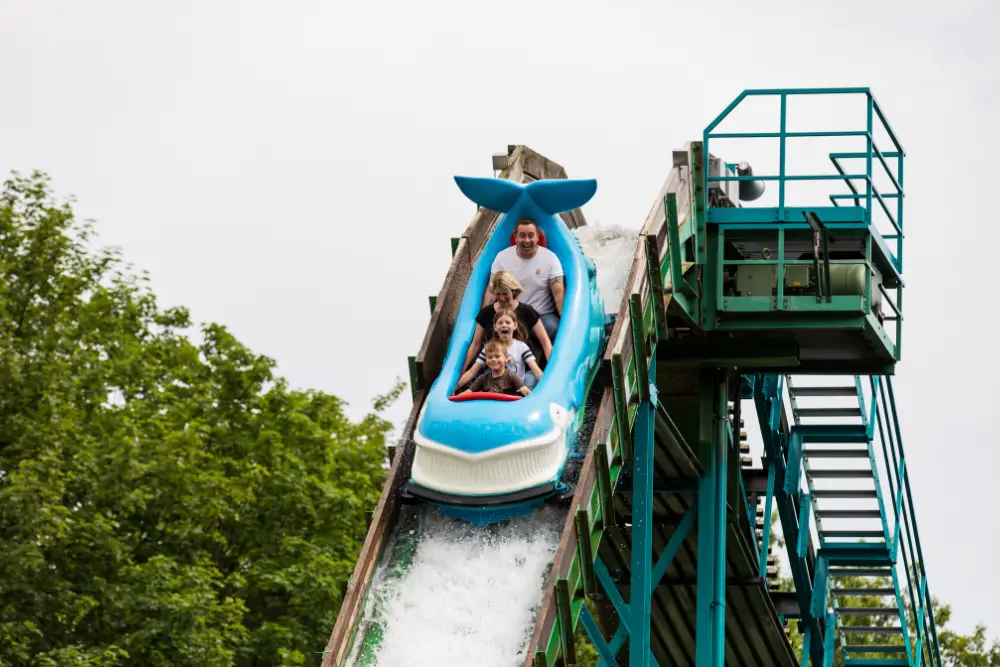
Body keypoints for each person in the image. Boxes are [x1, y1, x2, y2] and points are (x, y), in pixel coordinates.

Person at [484, 218, 564, 342]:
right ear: (515, 237)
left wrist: (568, 324)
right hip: (511, 313)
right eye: (522, 236)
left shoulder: (550, 259)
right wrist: (484, 319)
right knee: (493, 330)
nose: (527, 240)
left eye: (531, 236)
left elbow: (559, 296)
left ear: (538, 237)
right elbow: (490, 291)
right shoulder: (502, 258)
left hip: (541, 314)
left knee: (552, 328)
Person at [462, 271, 553, 374]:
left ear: (513, 292)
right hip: (495, 368)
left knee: (530, 381)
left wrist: (552, 371)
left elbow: (545, 342)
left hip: (524, 368)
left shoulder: (527, 312)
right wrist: (460, 372)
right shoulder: (486, 313)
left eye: (505, 294)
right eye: (498, 294)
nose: (502, 298)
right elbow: (475, 344)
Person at [456, 311, 542, 391]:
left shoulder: (521, 347)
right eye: (500, 323)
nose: (504, 325)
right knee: (484, 376)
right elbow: (472, 371)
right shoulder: (489, 348)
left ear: (515, 325)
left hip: (518, 389)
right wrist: (455, 388)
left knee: (530, 375)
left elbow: (535, 369)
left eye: (508, 322)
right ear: (495, 327)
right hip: (498, 389)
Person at [461, 340, 530, 397]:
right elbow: (467, 393)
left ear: (505, 358)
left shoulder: (511, 376)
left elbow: (525, 391)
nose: (493, 359)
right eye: (489, 357)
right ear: (486, 360)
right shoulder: (483, 378)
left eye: (497, 356)